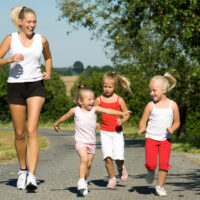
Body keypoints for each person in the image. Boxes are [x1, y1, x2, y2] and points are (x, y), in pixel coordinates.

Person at [0, 6, 52, 190]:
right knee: (20, 134)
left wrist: (48, 72)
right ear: (20, 22)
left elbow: (48, 58)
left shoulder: (42, 40)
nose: (32, 25)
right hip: (15, 87)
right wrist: (10, 59)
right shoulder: (10, 39)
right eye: (28, 22)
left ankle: (32, 175)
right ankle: (22, 170)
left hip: (36, 85)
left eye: (34, 21)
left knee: (31, 131)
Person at [54, 85, 129, 196]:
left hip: (91, 143)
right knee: (84, 159)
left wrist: (121, 113)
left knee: (88, 165)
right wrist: (56, 124)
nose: (92, 101)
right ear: (80, 101)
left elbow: (108, 110)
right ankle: (81, 180)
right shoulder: (75, 110)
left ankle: (84, 182)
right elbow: (64, 117)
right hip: (81, 141)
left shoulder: (95, 109)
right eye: (89, 99)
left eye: (93, 99)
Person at [139, 73, 180, 196]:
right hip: (151, 138)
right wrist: (142, 128)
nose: (151, 93)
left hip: (165, 140)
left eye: (154, 90)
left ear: (164, 90)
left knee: (163, 164)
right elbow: (143, 121)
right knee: (151, 164)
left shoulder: (173, 105)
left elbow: (177, 122)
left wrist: (172, 128)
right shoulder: (150, 106)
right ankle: (150, 171)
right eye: (150, 90)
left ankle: (160, 186)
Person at [95, 72, 132, 189]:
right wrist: (95, 121)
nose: (107, 89)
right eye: (105, 86)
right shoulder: (99, 100)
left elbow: (126, 114)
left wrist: (122, 120)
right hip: (104, 132)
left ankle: (121, 168)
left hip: (117, 133)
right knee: (107, 157)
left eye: (109, 87)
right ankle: (112, 179)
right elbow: (94, 112)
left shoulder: (119, 100)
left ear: (115, 86)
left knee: (119, 158)